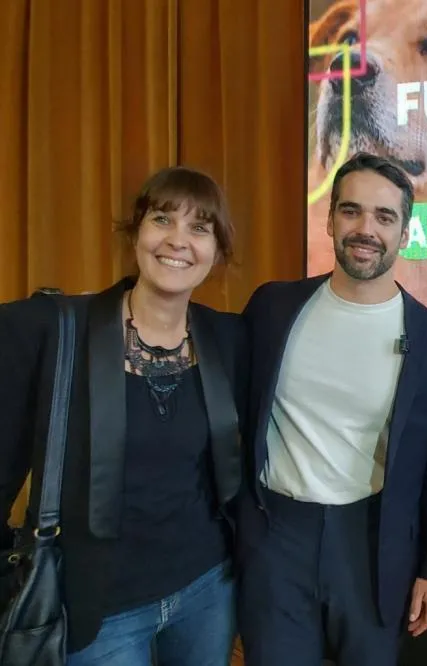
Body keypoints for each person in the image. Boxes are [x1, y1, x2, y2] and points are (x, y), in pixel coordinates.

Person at [0, 166, 246, 665]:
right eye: (162, 219)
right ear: (136, 232)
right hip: (99, 609)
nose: (178, 241)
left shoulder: (229, 339)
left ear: (217, 252)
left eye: (199, 228)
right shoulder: (52, 329)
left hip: (206, 589)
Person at [237, 152, 427, 666]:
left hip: (374, 543)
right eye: (352, 211)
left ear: (405, 233)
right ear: (331, 218)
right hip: (276, 537)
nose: (366, 229)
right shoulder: (272, 308)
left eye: (385, 217)